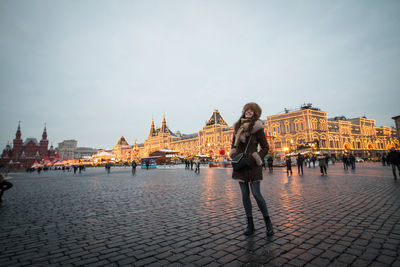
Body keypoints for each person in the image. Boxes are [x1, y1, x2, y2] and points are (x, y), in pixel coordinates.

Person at [230, 102, 274, 236]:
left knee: (256, 194)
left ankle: (268, 223)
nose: (249, 112)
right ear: (244, 111)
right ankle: (250, 225)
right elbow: (233, 145)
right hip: (241, 165)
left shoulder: (258, 128)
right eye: (247, 110)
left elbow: (266, 147)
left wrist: (257, 157)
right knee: (245, 196)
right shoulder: (237, 127)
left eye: (252, 111)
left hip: (253, 165)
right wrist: (233, 153)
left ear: (255, 113)